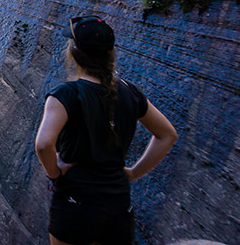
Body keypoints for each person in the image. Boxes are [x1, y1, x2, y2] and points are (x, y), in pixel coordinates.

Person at [34, 16, 178, 245]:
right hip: (118, 204)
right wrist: (133, 173)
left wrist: (54, 172)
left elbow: (43, 144)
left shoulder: (65, 95)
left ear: (74, 55)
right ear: (111, 53)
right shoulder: (131, 92)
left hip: (76, 203)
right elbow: (167, 135)